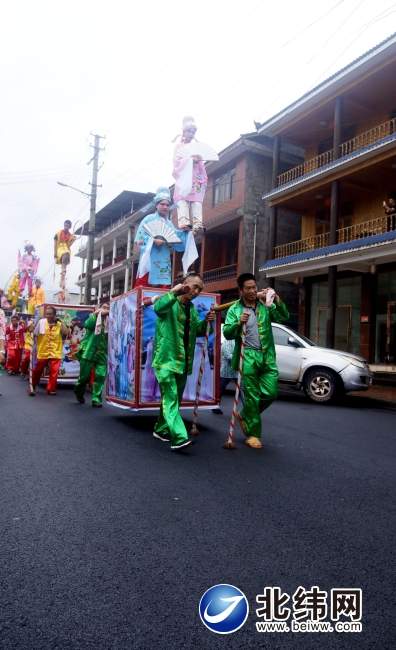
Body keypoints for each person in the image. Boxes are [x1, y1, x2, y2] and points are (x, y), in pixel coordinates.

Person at [224, 273, 289, 449]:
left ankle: (245, 415)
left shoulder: (265, 306)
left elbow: (284, 317)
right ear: (241, 290)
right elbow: (227, 333)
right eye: (248, 288)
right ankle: (253, 434)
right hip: (247, 356)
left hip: (267, 356)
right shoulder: (235, 309)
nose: (253, 291)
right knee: (252, 396)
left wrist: (276, 299)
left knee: (270, 393)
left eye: (254, 287)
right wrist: (238, 323)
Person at [152, 273, 215, 450]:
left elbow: (197, 332)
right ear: (184, 284)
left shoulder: (192, 310)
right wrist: (174, 292)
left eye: (200, 289)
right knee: (171, 397)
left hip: (182, 362)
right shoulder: (169, 302)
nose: (196, 291)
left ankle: (160, 429)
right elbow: (158, 308)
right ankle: (179, 437)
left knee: (172, 399)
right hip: (165, 360)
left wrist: (207, 323)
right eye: (194, 286)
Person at [134, 188, 186, 288]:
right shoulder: (148, 219)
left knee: (163, 289)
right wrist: (153, 241)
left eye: (167, 205)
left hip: (164, 259)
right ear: (156, 205)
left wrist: (187, 233)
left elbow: (177, 239)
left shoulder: (169, 224)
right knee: (143, 288)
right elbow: (139, 241)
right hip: (149, 259)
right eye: (162, 204)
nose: (165, 207)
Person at [173, 116, 208, 234]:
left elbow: (201, 166)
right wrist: (189, 160)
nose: (191, 133)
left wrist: (199, 160)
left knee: (196, 201)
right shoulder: (179, 146)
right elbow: (176, 162)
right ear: (184, 131)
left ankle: (198, 223)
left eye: (193, 131)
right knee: (183, 200)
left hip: (195, 178)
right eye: (189, 131)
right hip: (184, 178)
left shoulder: (197, 147)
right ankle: (184, 221)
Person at [74, 304, 109, 407]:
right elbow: (88, 325)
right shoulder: (92, 318)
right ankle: (78, 392)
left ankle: (96, 399)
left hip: (102, 353)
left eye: (108, 308)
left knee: (100, 376)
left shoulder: (110, 321)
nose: (106, 309)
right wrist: (96, 313)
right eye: (104, 307)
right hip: (89, 352)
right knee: (84, 378)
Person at [30, 306, 70, 395]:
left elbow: (66, 333)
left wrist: (61, 322)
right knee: (37, 370)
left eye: (50, 314)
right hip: (43, 351)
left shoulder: (59, 324)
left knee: (54, 371)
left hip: (55, 352)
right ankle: (33, 386)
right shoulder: (41, 322)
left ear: (54, 315)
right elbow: (34, 334)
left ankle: (51, 389)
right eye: (47, 314)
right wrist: (34, 347)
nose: (48, 315)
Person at [54, 220, 76, 293]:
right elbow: (55, 242)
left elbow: (69, 245)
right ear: (64, 225)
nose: (66, 226)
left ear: (69, 227)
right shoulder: (59, 233)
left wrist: (73, 240)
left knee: (67, 254)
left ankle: (63, 273)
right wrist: (55, 253)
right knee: (65, 253)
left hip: (66, 248)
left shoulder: (70, 235)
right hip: (60, 248)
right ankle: (63, 271)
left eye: (68, 225)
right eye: (65, 225)